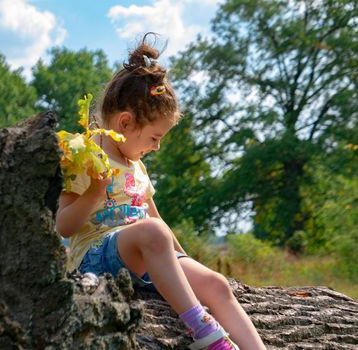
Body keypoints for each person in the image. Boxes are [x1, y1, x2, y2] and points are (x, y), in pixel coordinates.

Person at [56, 33, 266, 350]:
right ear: (125, 123)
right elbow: (63, 226)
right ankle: (205, 332)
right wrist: (95, 191)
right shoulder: (84, 155)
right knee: (151, 231)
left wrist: (184, 265)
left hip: (143, 254)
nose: (157, 147)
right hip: (96, 261)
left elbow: (159, 227)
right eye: (154, 138)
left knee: (217, 284)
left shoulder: (136, 166)